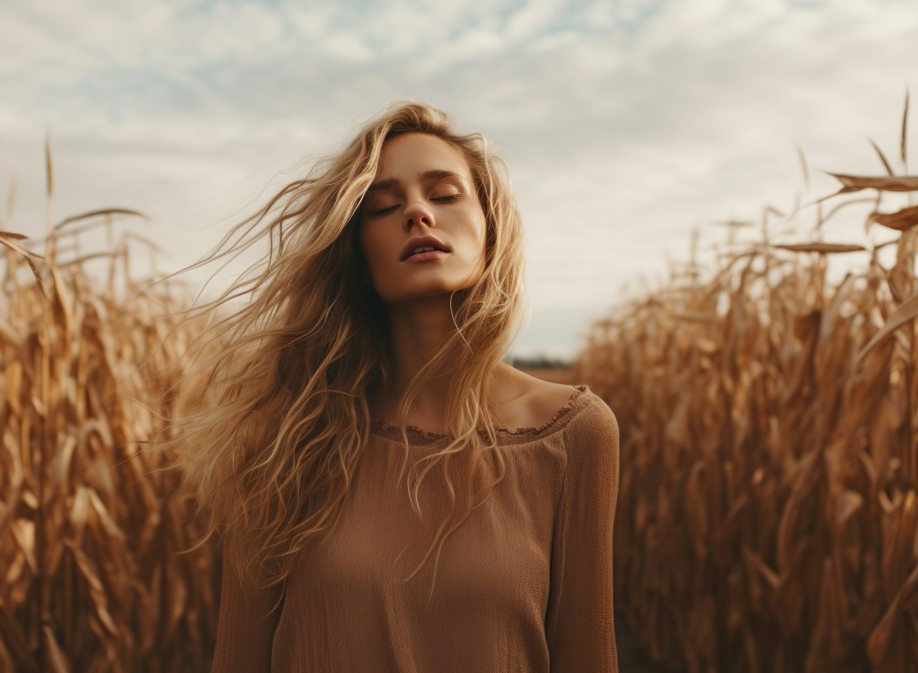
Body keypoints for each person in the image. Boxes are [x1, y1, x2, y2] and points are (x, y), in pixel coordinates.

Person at [168, 101, 620, 673]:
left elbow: (589, 658)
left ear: (491, 229)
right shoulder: (282, 437)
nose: (418, 214)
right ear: (358, 257)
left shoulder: (573, 433)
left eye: (445, 195)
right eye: (384, 207)